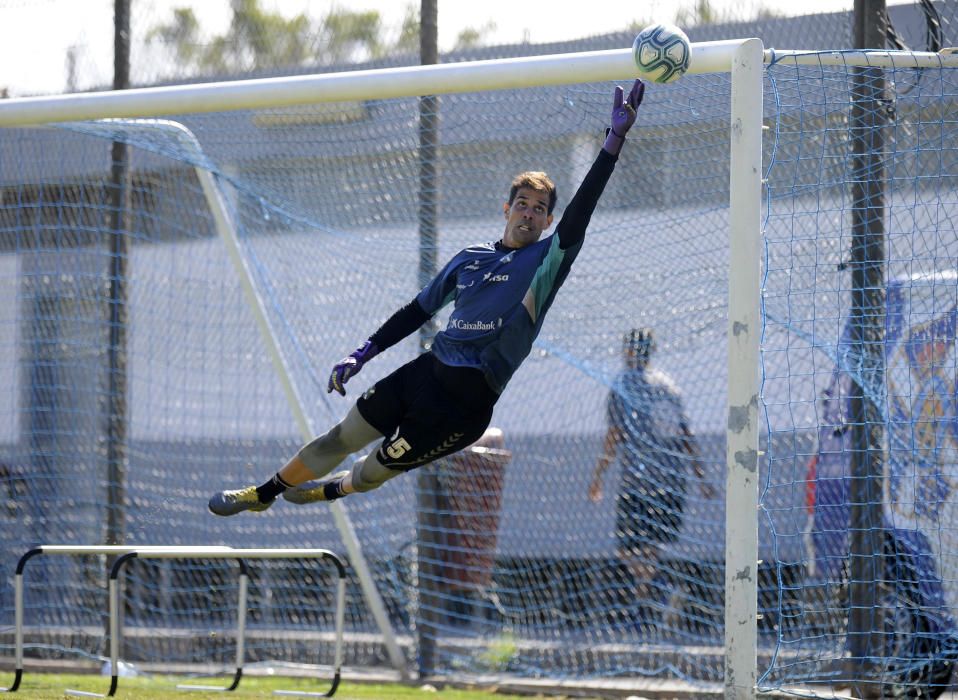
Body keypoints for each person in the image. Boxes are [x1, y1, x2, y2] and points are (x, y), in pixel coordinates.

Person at [208, 79, 646, 517]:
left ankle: (331, 492)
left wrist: (613, 143)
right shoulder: (469, 259)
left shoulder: (546, 261)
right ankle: (262, 494)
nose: (528, 212)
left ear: (548, 220)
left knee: (372, 472)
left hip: (463, 408)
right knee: (341, 437)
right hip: (425, 373)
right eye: (522, 203)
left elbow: (581, 212)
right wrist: (363, 353)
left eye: (538, 208)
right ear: (506, 208)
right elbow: (418, 311)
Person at [588, 328, 708, 623]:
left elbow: (614, 436)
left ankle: (659, 590)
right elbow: (684, 434)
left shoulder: (623, 385)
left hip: (639, 482)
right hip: (671, 481)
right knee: (650, 547)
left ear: (630, 351)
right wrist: (700, 476)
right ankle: (646, 606)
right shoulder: (668, 386)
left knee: (628, 547)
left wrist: (598, 477)